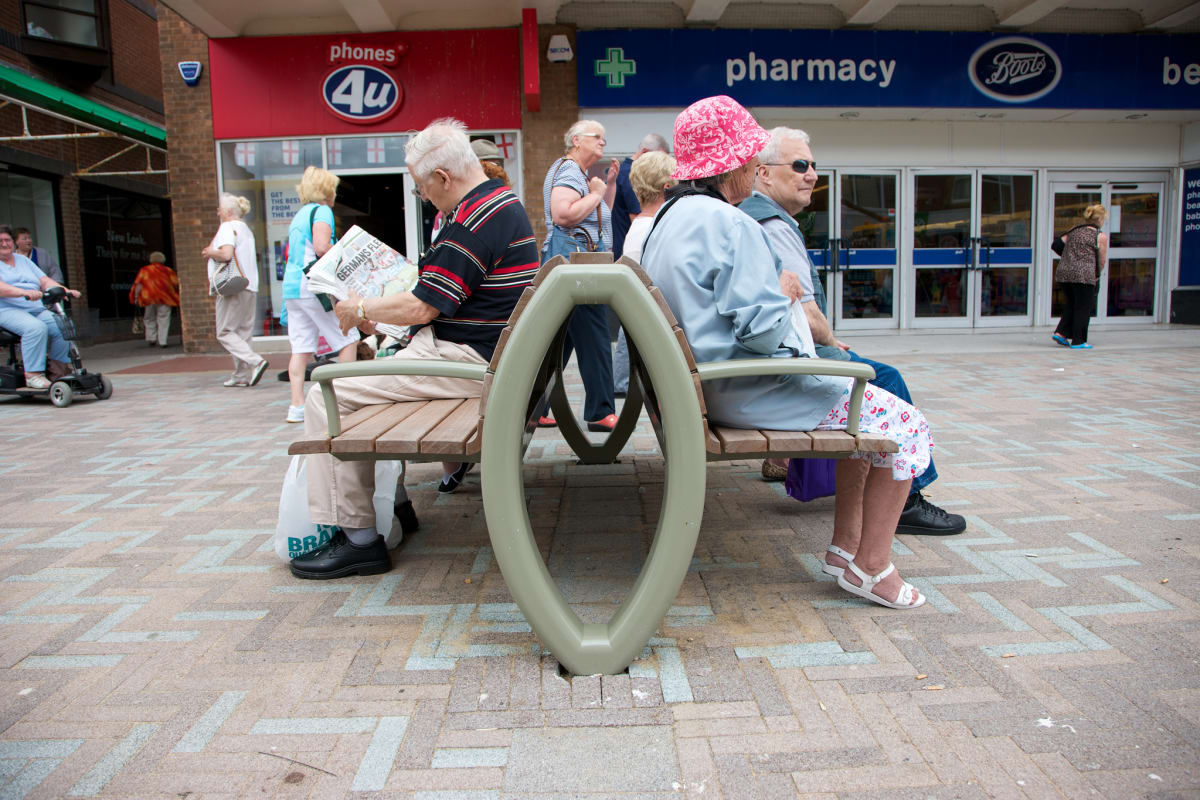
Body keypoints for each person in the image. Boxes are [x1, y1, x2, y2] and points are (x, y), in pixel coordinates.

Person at [640, 96, 931, 609]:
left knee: (867, 416)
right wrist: (785, 293)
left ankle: (844, 551)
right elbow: (763, 334)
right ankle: (871, 566)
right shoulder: (732, 225)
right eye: (751, 155)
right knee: (907, 427)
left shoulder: (668, 220)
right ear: (730, 164)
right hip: (751, 387)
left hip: (710, 387)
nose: (756, 165)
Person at [289, 118, 537, 580]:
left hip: (467, 362)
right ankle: (396, 506)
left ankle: (359, 538)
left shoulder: (471, 220)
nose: (422, 197)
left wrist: (359, 305)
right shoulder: (499, 203)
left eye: (422, 188)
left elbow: (423, 307)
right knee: (367, 387)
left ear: (443, 178)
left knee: (330, 396)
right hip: (481, 355)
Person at [740, 127, 965, 536]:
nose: (812, 175)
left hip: (760, 364)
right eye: (800, 165)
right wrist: (829, 340)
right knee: (887, 379)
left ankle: (787, 466)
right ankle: (909, 500)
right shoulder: (773, 225)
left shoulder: (752, 216)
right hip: (783, 368)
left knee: (864, 369)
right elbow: (805, 315)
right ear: (764, 173)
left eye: (814, 166)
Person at [537, 120, 619, 432]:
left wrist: (606, 186)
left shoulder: (577, 175)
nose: (603, 142)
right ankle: (599, 411)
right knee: (596, 332)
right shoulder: (569, 171)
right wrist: (597, 191)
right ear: (576, 139)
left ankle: (534, 406)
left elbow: (595, 216)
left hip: (572, 264)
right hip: (577, 267)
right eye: (596, 136)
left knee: (563, 338)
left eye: (604, 136)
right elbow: (563, 214)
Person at [281, 167, 360, 422]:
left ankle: (297, 406)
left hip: (293, 289)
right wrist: (347, 251)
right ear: (328, 190)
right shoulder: (322, 211)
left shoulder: (299, 215)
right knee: (348, 337)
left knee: (300, 347)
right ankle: (345, 398)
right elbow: (321, 246)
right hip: (314, 287)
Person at [613, 151, 676, 396]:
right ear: (667, 187)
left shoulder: (638, 225)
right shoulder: (654, 227)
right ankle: (623, 384)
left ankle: (621, 383)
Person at [202, 194, 269, 390]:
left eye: (220, 209)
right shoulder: (246, 229)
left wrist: (209, 252)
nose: (218, 212)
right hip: (249, 285)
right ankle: (241, 375)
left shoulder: (226, 227)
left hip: (232, 286)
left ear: (229, 212)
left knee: (224, 332)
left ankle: (255, 361)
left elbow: (226, 254)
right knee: (243, 332)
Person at [0, 224, 78, 389]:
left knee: (63, 325)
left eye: (7, 240)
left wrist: (64, 290)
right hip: (6, 310)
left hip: (34, 308)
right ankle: (33, 375)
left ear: (13, 243)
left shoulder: (22, 260)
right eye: (0, 241)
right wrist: (23, 292)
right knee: (35, 328)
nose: (4, 244)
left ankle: (59, 372)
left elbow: (44, 280)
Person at [1052, 204, 1108, 350]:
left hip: (1064, 273)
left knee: (1072, 303)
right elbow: (1101, 260)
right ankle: (1078, 341)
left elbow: (1056, 244)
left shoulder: (1073, 231)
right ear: (1100, 219)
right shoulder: (1100, 236)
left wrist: (1069, 257)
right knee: (1083, 307)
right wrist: (1096, 274)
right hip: (1084, 275)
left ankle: (1061, 333)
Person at [611, 133, 669, 258]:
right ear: (644, 152)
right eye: (657, 160)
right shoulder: (632, 174)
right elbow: (637, 216)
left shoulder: (623, 171)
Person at [129, 251, 179, 348]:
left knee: (149, 318)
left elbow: (138, 284)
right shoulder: (168, 271)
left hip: (149, 298)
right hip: (165, 298)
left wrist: (136, 297)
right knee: (163, 319)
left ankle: (152, 338)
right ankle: (163, 341)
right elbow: (176, 284)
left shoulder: (145, 270)